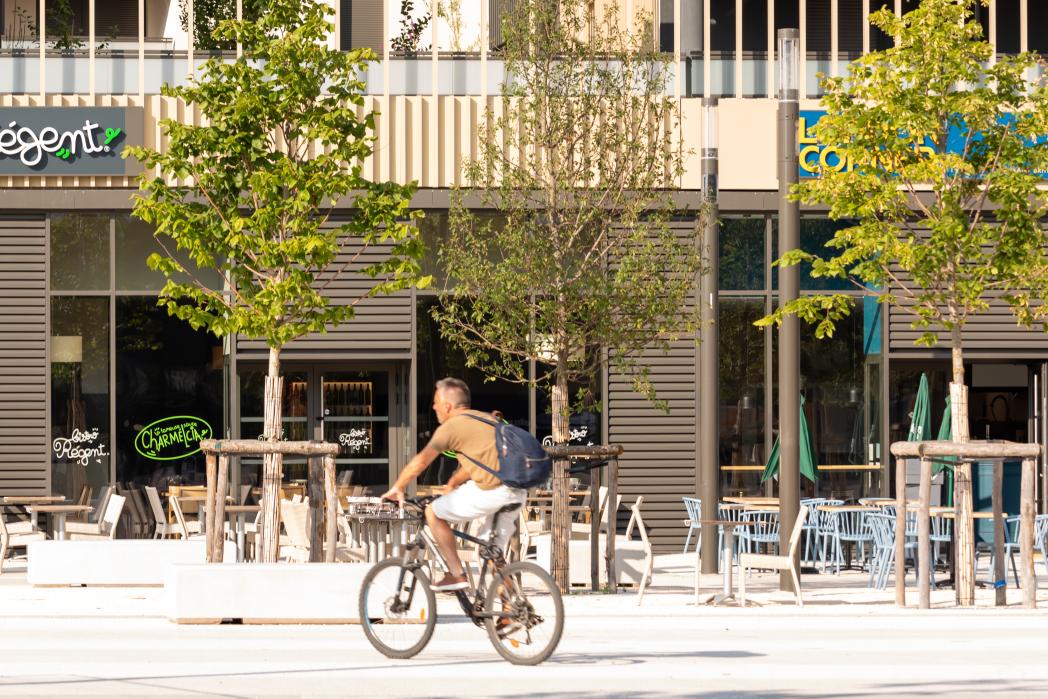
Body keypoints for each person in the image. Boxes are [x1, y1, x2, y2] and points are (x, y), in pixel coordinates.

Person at [381, 378, 527, 591]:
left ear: (447, 406)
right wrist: (453, 482)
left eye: (435, 402)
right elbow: (480, 463)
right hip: (516, 492)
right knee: (491, 550)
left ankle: (456, 574)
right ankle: (511, 608)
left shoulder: (452, 427)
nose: (433, 407)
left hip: (493, 491)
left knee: (433, 512)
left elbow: (420, 461)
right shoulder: (486, 420)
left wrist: (398, 488)